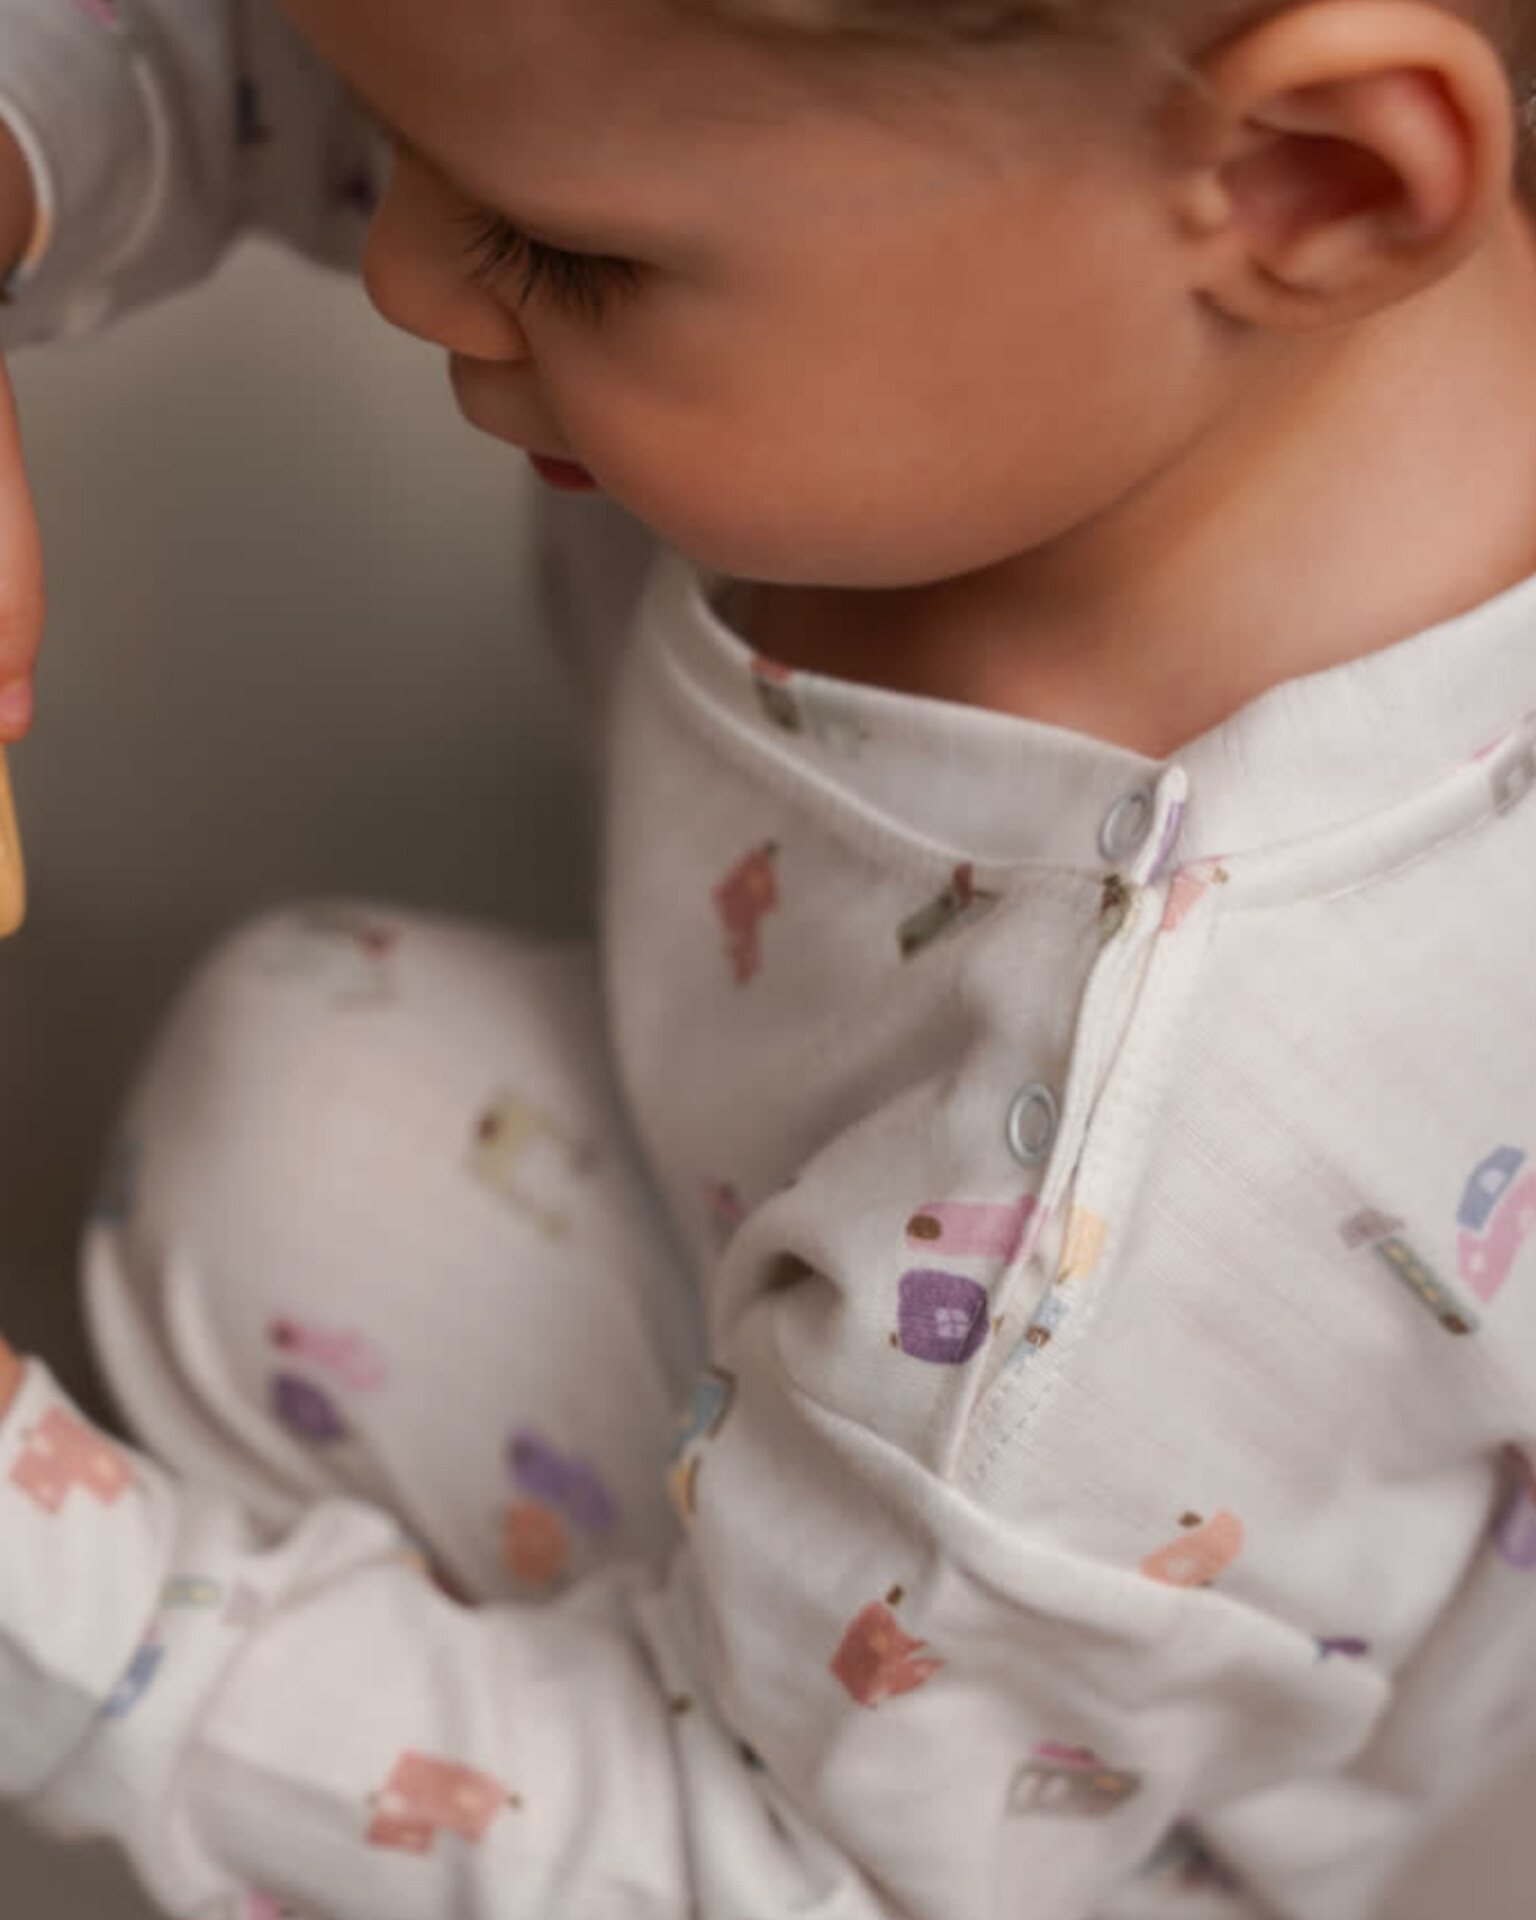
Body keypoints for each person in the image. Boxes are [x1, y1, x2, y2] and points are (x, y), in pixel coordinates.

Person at [1, 0, 1536, 1914]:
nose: (403, 272)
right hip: (858, 1266)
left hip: (990, 1824)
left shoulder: (1143, 1181)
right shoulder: (1054, 304)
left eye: (561, 249)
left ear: (1315, 181)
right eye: (405, 140)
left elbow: (777, 1869)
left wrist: (63, 1606)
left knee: (291, 1163)